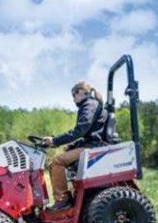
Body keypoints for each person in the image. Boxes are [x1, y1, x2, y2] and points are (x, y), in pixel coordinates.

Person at [42, 81, 108, 211]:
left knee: (57, 162)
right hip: (91, 144)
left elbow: (81, 130)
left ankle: (63, 200)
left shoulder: (89, 105)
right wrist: (71, 145)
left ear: (83, 92)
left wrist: (55, 141)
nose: (73, 99)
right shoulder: (91, 105)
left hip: (93, 147)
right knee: (53, 164)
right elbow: (88, 133)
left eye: (74, 94)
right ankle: (67, 196)